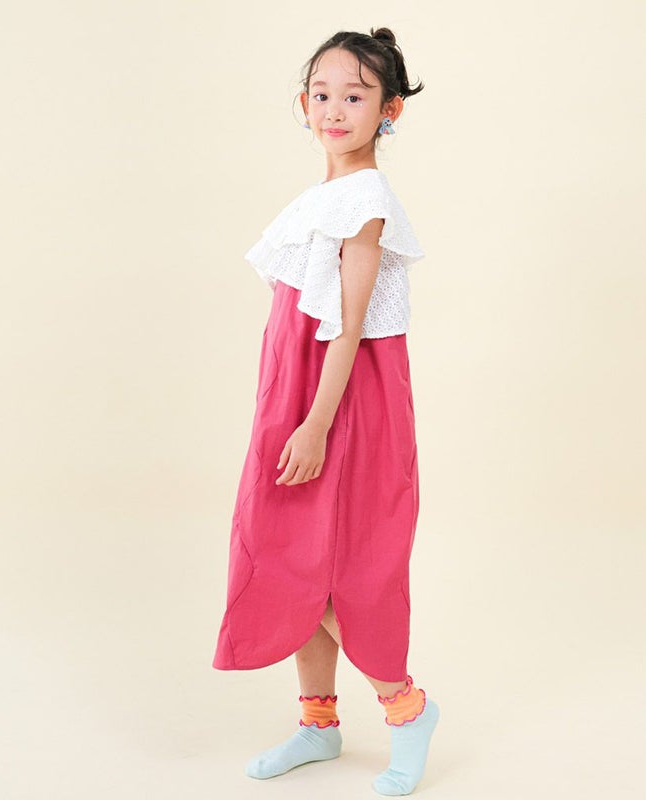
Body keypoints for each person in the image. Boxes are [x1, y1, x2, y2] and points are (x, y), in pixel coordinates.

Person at [212, 27, 439, 796]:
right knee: (285, 547)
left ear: (389, 111)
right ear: (304, 103)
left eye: (355, 96)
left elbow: (348, 323)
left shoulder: (366, 201)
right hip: (296, 391)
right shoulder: (321, 198)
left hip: (341, 403)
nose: (334, 110)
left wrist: (314, 424)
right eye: (322, 94)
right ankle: (318, 723)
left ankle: (407, 710)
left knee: (342, 565)